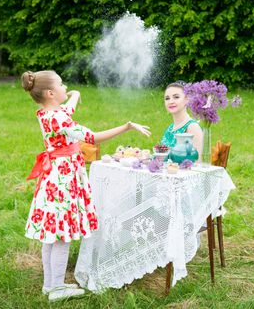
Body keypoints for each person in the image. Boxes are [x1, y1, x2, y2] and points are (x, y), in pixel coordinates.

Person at [21, 70, 151, 301]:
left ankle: (49, 285)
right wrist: (127, 126)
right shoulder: (60, 119)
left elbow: (67, 109)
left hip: (53, 178)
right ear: (51, 93)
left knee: (52, 234)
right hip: (63, 180)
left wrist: (75, 95)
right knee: (62, 235)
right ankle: (57, 288)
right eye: (62, 84)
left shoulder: (47, 113)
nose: (65, 87)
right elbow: (92, 137)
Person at [160, 81, 203, 159]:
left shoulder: (192, 128)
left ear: (187, 99)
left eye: (176, 97)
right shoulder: (170, 129)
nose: (171, 101)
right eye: (167, 98)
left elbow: (197, 163)